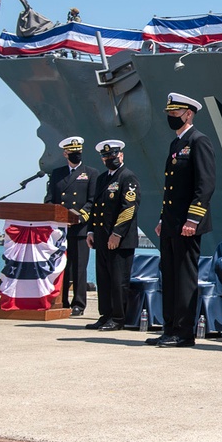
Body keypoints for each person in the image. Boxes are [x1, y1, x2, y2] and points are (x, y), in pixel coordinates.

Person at [149, 92, 216, 348]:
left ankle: (184, 332)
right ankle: (170, 328)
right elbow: (172, 190)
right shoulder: (176, 144)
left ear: (188, 114)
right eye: (168, 113)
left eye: (175, 113)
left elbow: (205, 184)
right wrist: (162, 218)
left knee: (184, 277)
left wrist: (193, 219)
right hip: (171, 222)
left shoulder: (199, 141)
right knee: (169, 275)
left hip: (187, 224)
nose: (170, 117)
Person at [87, 140, 140, 331]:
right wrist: (91, 231)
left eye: (114, 155)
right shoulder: (102, 179)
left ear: (121, 155)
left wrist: (117, 234)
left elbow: (129, 208)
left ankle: (118, 318)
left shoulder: (128, 177)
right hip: (101, 238)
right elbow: (95, 207)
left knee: (119, 281)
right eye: (106, 156)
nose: (111, 159)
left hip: (120, 241)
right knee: (104, 279)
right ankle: (106, 315)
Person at [44, 135, 97, 316]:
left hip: (80, 228)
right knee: (61, 266)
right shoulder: (57, 174)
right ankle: (61, 300)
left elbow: (92, 201)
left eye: (79, 152)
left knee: (79, 268)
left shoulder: (91, 173)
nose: (76, 155)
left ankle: (79, 304)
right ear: (65, 153)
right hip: (60, 230)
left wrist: (79, 217)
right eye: (72, 153)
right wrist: (56, 215)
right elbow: (50, 199)